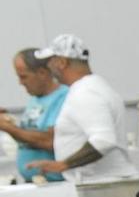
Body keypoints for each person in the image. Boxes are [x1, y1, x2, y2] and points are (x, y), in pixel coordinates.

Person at [21, 35, 130, 182]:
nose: (48, 68)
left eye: (49, 62)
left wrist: (63, 165)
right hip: (107, 181)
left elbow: (104, 140)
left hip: (104, 183)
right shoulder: (94, 87)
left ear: (61, 62)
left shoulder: (85, 92)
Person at [3, 48, 70, 181]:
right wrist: (9, 122)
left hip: (56, 183)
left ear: (42, 73)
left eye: (24, 76)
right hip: (37, 182)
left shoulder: (64, 97)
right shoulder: (35, 99)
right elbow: (29, 135)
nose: (20, 83)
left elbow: (50, 141)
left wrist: (7, 127)